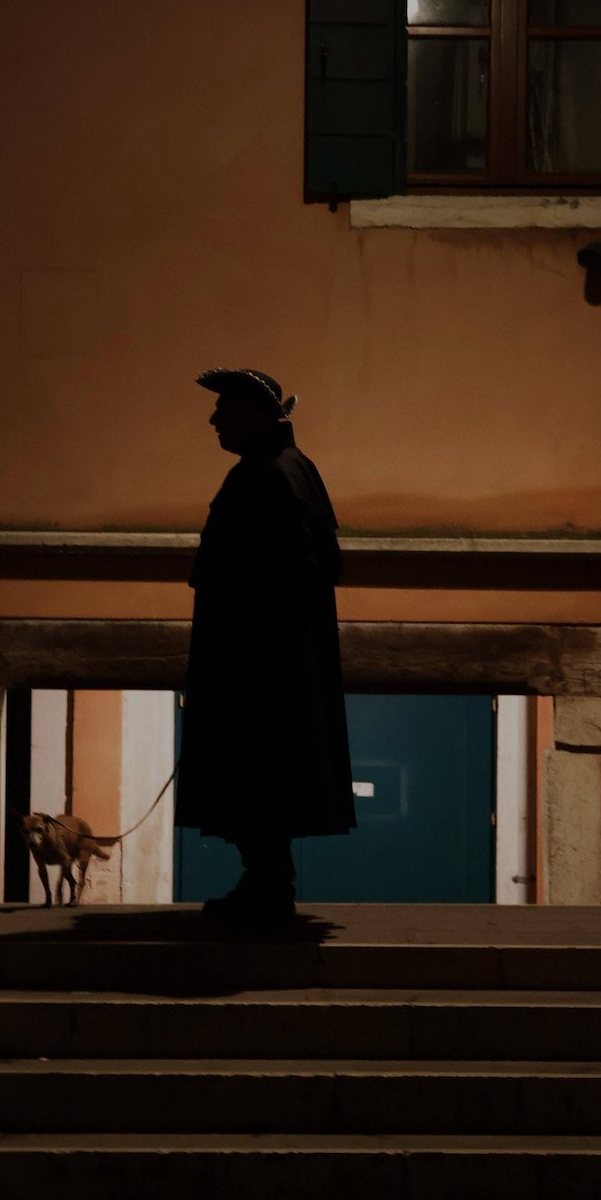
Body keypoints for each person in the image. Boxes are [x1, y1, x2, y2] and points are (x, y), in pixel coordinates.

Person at [175, 367, 355, 928]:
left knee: (256, 778)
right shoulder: (282, 470)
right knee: (258, 781)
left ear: (253, 412)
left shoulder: (270, 476)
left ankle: (267, 886)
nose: (213, 418)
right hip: (260, 667)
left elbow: (287, 579)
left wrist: (249, 654)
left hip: (257, 672)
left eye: (223, 408)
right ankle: (264, 882)